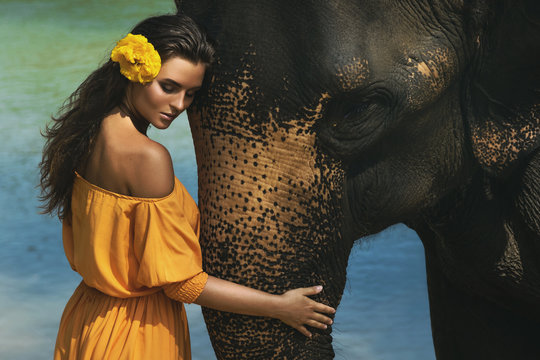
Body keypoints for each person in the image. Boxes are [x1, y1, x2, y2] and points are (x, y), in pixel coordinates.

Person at [39, 13, 335, 360]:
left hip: (86, 320)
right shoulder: (148, 157)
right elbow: (182, 283)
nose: (179, 105)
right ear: (134, 72)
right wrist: (280, 307)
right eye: (169, 87)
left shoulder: (84, 132)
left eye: (191, 94)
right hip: (137, 335)